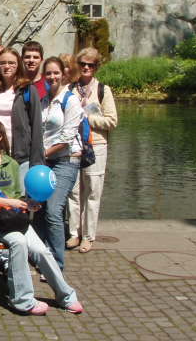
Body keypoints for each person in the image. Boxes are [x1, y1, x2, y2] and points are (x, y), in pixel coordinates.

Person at [0, 118, 83, 316]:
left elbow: (17, 196)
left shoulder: (11, 163)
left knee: (41, 251)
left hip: (10, 218)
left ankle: (66, 295)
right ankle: (22, 300)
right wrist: (9, 203)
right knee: (18, 241)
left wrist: (29, 204)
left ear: (0, 137)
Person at [32, 57, 84, 270]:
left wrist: (41, 154)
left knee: (54, 210)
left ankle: (56, 264)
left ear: (63, 74)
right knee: (39, 209)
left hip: (65, 161)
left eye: (56, 73)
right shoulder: (44, 100)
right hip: (46, 162)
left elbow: (66, 138)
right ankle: (39, 257)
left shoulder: (69, 100)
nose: (52, 77)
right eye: (48, 74)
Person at [66, 47, 118, 253]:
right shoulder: (70, 89)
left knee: (92, 192)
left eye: (91, 65)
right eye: (83, 64)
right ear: (78, 66)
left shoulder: (103, 90)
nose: (86, 68)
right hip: (73, 145)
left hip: (96, 146)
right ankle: (73, 234)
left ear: (96, 67)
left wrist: (87, 117)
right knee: (74, 191)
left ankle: (88, 236)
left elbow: (112, 121)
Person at [0, 48, 44, 184]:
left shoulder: (28, 90)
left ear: (18, 65)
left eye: (12, 63)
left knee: (20, 199)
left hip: (21, 157)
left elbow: (37, 127)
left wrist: (37, 163)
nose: (7, 67)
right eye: (2, 63)